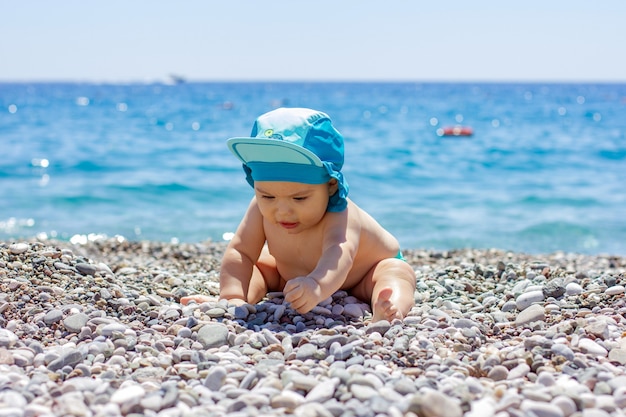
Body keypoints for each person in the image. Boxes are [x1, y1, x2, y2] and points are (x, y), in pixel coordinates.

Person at [181, 107, 416, 322]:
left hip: (363, 274)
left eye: (299, 198)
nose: (282, 210)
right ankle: (237, 302)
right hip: (292, 276)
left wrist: (316, 285)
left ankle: (387, 309)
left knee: (395, 273)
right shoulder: (258, 210)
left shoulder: (340, 213)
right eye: (267, 197)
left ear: (331, 186)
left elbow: (339, 254)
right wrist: (231, 293)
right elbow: (241, 251)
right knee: (261, 266)